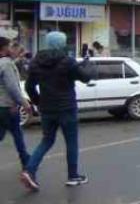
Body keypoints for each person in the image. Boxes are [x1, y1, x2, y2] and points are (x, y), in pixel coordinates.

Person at [21, 31, 93, 191]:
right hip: (67, 107)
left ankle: (29, 170)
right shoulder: (67, 61)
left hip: (47, 109)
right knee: (71, 142)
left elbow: (28, 86)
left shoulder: (36, 62)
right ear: (62, 44)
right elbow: (86, 77)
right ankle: (73, 176)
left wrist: (39, 102)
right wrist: (87, 61)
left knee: (46, 140)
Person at [0, 37, 32, 170]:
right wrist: (24, 103)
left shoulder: (4, 63)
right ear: (4, 48)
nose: (12, 48)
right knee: (17, 134)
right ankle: (26, 161)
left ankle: (26, 159)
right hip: (8, 107)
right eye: (10, 46)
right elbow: (12, 87)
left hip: (2, 106)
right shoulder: (6, 64)